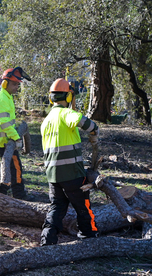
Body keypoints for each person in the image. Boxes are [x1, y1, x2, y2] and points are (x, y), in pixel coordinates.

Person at [40, 78, 99, 246]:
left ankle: (47, 238)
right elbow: (89, 125)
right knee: (83, 205)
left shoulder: (46, 121)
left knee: (57, 206)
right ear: (67, 97)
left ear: (51, 98)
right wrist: (94, 134)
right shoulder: (66, 114)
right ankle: (88, 235)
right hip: (72, 172)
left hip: (53, 174)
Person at [0, 67, 31, 201]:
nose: (16, 87)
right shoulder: (2, 99)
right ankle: (19, 196)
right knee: (16, 168)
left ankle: (1, 195)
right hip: (5, 141)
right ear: (5, 83)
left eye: (18, 84)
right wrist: (16, 137)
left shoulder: (6, 97)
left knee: (8, 168)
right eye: (14, 84)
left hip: (6, 140)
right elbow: (4, 123)